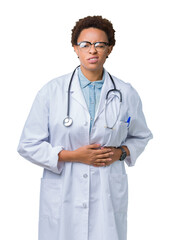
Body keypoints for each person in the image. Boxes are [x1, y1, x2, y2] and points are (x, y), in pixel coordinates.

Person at [17, 15, 153, 240]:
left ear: (109, 49)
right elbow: (27, 145)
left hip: (107, 192)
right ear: (75, 48)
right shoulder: (51, 92)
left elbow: (141, 136)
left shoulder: (126, 93)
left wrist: (120, 154)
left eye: (100, 45)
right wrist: (73, 155)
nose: (93, 51)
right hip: (63, 193)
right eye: (86, 44)